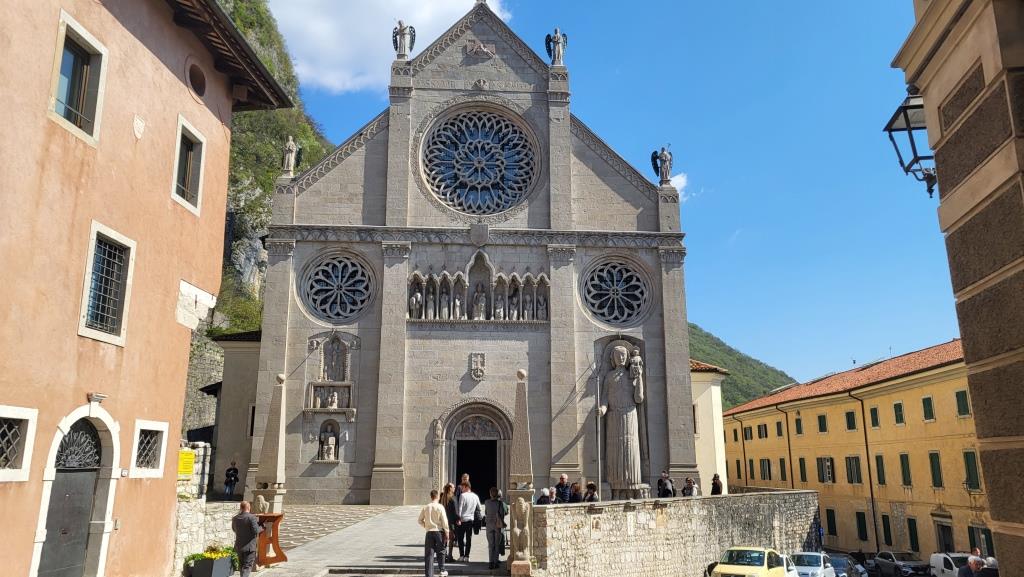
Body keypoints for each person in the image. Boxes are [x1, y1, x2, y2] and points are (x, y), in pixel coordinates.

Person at [418, 489, 450, 577]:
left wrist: (426, 526)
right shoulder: (440, 507)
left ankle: (429, 574)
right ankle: (442, 570)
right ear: (438, 496)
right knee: (441, 551)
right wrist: (447, 531)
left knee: (429, 554)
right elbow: (444, 521)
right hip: (439, 531)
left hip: (429, 532)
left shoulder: (426, 507)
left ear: (431, 496)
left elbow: (419, 520)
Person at [232, 501, 262, 577]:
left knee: (242, 566)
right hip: (249, 547)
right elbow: (256, 531)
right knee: (247, 566)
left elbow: (234, 529)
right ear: (249, 507)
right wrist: (262, 527)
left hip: (239, 546)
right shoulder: (251, 517)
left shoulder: (235, 518)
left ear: (241, 508)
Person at [456, 480, 481, 561]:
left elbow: (460, 508)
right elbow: (479, 508)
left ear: (466, 487)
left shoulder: (463, 496)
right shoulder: (475, 496)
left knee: (460, 538)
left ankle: (461, 556)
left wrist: (458, 518)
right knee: (468, 539)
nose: (461, 489)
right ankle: (467, 556)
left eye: (462, 488)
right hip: (470, 520)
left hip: (462, 520)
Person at [484, 487, 506, 569]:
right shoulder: (500, 503)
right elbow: (502, 514)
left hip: (489, 525)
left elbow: (486, 512)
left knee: (490, 545)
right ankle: (496, 562)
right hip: (497, 525)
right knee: (497, 545)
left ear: (490, 494)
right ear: (497, 494)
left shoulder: (486, 502)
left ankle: (491, 562)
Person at [441, 483, 458, 562]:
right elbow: (455, 512)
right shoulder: (452, 498)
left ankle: (443, 556)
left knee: (444, 539)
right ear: (450, 488)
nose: (454, 488)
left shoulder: (442, 498)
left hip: (443, 522)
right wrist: (458, 519)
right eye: (453, 487)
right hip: (451, 523)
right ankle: (450, 556)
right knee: (451, 539)